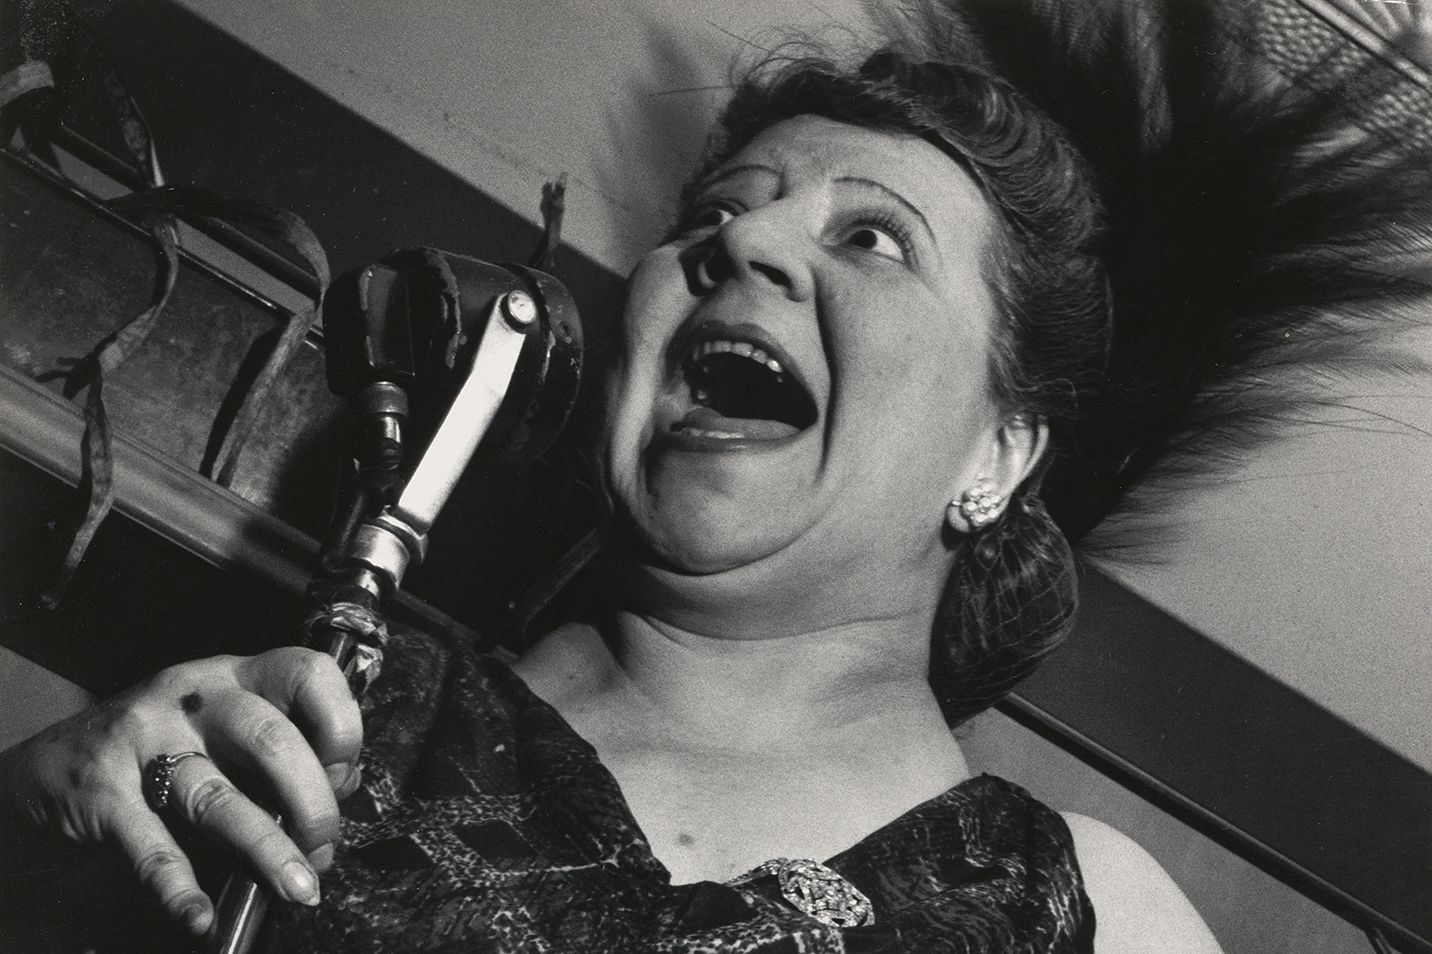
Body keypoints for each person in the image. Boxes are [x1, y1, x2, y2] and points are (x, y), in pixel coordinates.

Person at [3, 1, 1427, 951]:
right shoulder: (320, 712)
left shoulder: (1089, 914)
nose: (742, 249)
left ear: (998, 455)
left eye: (873, 239)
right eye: (717, 214)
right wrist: (36, 816)